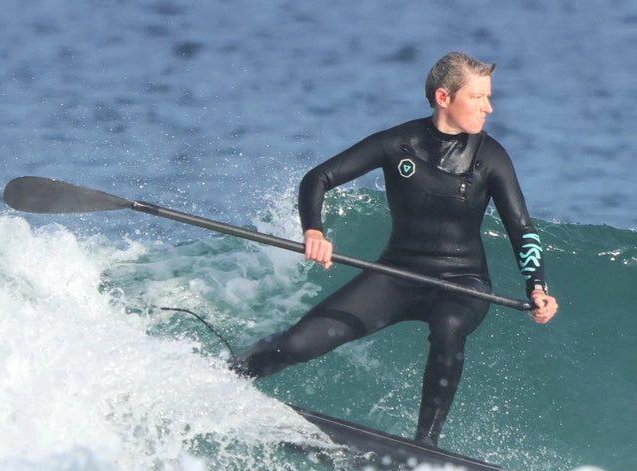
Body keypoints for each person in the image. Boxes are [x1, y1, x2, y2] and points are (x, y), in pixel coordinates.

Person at [230, 51, 558, 446]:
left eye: (488, 97)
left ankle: (427, 443)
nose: (489, 106)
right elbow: (318, 178)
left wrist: (536, 287)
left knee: (450, 326)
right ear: (443, 98)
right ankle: (222, 376)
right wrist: (313, 231)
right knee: (299, 343)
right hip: (397, 275)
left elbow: (522, 229)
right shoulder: (398, 143)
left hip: (462, 282)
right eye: (478, 97)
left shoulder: (491, 157)